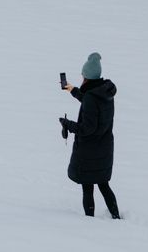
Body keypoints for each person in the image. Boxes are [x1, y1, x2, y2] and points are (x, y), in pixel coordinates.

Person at [60, 52, 121, 219]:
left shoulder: (91, 98)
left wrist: (68, 125)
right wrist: (72, 90)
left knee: (87, 186)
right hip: (104, 148)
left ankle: (90, 224)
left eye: (83, 76)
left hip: (90, 151)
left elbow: (87, 128)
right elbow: (90, 103)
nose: (82, 79)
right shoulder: (104, 93)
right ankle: (116, 216)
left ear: (88, 77)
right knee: (103, 184)